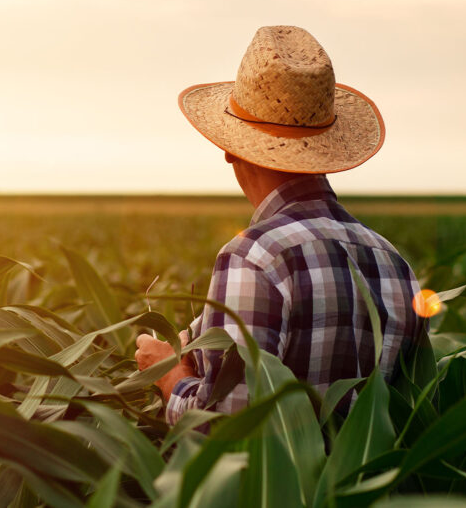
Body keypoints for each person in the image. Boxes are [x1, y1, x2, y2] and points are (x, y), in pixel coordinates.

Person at [136, 25, 425, 425]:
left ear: (229, 150)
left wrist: (170, 374)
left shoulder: (253, 256)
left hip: (274, 490)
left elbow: (223, 430)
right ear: (327, 150)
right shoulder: (394, 263)